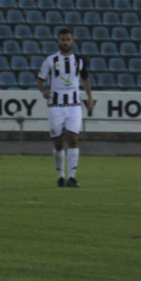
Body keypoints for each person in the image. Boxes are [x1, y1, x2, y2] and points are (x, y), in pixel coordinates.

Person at [36, 28, 95, 188]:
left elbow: (86, 80)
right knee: (59, 142)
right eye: (63, 39)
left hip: (74, 105)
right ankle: (60, 175)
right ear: (58, 41)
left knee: (73, 138)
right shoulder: (50, 60)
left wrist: (89, 99)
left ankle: (72, 177)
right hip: (55, 106)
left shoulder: (79, 60)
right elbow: (40, 79)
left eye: (68, 39)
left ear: (72, 41)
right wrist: (44, 91)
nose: (65, 42)